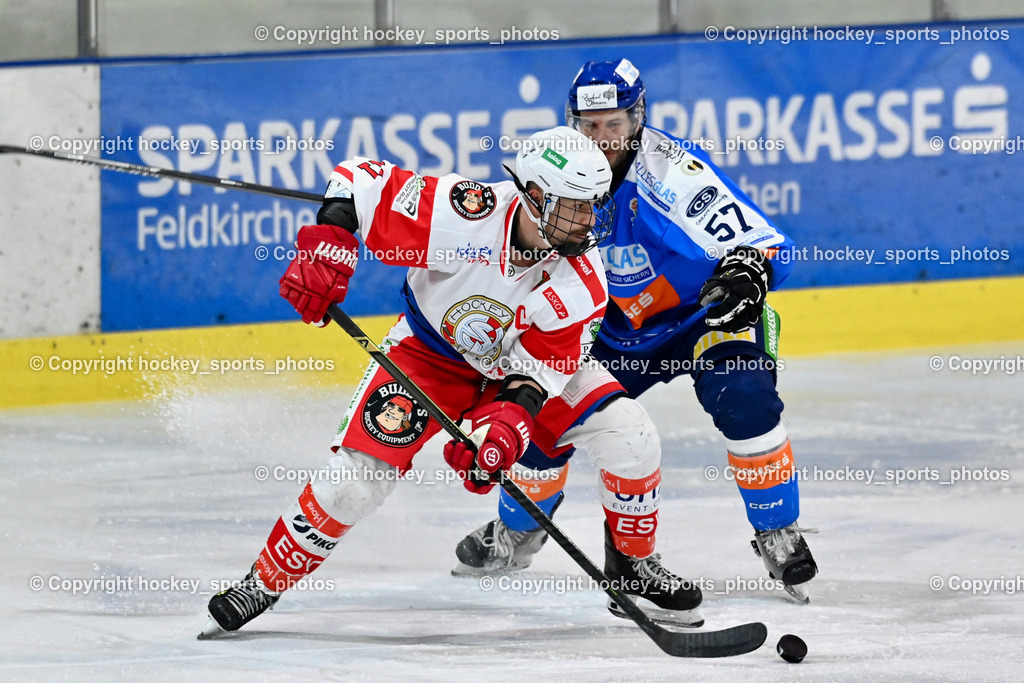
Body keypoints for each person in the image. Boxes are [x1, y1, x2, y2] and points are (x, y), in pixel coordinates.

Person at [200, 125, 702, 638]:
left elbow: (539, 372)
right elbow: (358, 180)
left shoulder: (585, 279)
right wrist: (328, 245)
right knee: (353, 481)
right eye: (574, 206)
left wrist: (505, 429)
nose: (589, 221)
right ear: (533, 196)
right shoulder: (465, 214)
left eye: (594, 205)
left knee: (629, 432)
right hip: (429, 357)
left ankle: (632, 566)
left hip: (514, 371)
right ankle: (263, 582)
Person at [453, 60, 818, 603]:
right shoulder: (557, 174)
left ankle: (777, 531)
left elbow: (761, 243)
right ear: (573, 123)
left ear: (638, 119)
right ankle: (518, 530)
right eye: (590, 125)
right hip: (612, 327)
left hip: (700, 315)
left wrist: (748, 268)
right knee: (545, 418)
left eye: (615, 124)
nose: (602, 138)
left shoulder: (670, 172)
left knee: (744, 395)